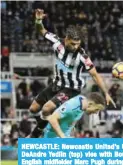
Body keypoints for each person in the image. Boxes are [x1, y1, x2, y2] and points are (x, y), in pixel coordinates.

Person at [28, 9, 115, 138]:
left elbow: (95, 74)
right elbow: (41, 30)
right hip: (56, 85)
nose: (75, 46)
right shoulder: (57, 43)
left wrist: (106, 93)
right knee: (33, 109)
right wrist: (38, 20)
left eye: (78, 44)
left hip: (71, 89)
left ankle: (38, 134)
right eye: (73, 44)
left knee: (46, 109)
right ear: (66, 39)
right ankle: (43, 127)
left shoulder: (82, 56)